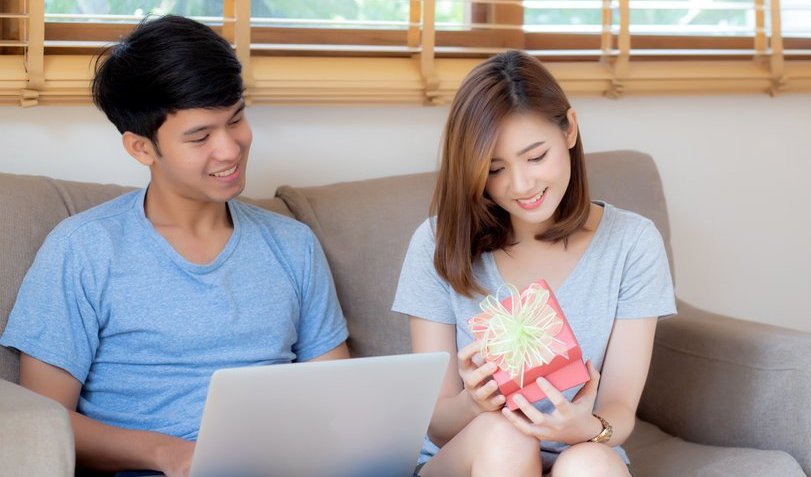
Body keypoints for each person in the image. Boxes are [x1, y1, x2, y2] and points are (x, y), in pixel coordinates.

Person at [0, 15, 349, 477]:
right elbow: (40, 420)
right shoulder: (84, 249)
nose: (229, 149)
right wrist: (168, 454)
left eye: (237, 119)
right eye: (200, 136)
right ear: (141, 148)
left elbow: (341, 394)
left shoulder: (292, 244)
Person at [393, 50, 676, 477]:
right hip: (470, 456)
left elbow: (620, 408)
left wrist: (587, 426)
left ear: (570, 130)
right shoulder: (438, 242)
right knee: (506, 438)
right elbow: (436, 426)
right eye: (495, 169)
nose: (521, 185)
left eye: (536, 156)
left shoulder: (632, 242)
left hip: (578, 448)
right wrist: (473, 402)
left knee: (590, 465)